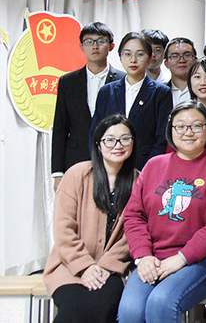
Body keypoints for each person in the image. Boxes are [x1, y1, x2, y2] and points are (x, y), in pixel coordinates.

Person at [118, 101, 206, 323]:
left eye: (196, 126)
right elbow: (134, 216)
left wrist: (182, 258)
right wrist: (143, 256)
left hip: (201, 261)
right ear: (170, 131)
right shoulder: (153, 166)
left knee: (161, 303)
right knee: (130, 311)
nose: (188, 132)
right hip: (153, 258)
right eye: (180, 126)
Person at [44, 114, 139, 323]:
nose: (118, 145)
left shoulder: (138, 181)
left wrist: (106, 265)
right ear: (98, 144)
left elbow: (132, 234)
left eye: (125, 139)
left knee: (102, 306)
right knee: (73, 310)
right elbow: (63, 229)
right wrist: (85, 266)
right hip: (70, 265)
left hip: (113, 268)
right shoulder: (77, 175)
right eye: (110, 139)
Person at [52, 22, 123, 190]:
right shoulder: (68, 81)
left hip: (113, 157)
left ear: (111, 46)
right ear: (81, 46)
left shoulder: (123, 80)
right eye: (89, 41)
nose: (95, 46)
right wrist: (57, 172)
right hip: (75, 158)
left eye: (101, 41)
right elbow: (60, 128)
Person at [91, 32, 173, 171]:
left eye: (140, 54)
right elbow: (95, 132)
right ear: (120, 57)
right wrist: (99, 164)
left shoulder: (161, 92)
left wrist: (148, 170)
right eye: (127, 54)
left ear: (150, 57)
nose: (133, 60)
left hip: (144, 166)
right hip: (109, 166)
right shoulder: (107, 91)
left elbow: (162, 138)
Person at [164, 37, 197, 106]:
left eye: (187, 55)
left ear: (196, 60)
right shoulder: (158, 92)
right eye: (175, 56)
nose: (182, 60)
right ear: (166, 63)